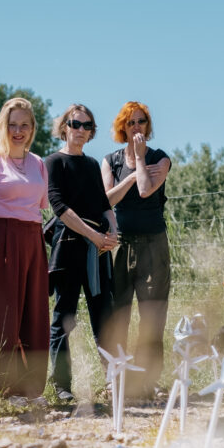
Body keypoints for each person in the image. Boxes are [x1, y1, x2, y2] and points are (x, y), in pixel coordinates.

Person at [0, 98, 50, 400]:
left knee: (34, 312)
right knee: (2, 314)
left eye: (24, 125)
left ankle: (31, 387)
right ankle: (0, 388)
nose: (18, 131)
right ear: (3, 127)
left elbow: (39, 206)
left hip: (33, 236)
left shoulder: (39, 164)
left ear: (32, 129)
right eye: (12, 124)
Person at [45, 104, 119, 403]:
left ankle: (113, 382)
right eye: (75, 124)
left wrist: (112, 231)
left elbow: (104, 203)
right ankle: (62, 386)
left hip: (98, 250)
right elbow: (59, 207)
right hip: (69, 248)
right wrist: (94, 236)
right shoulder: (53, 162)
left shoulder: (90, 165)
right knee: (65, 317)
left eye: (86, 126)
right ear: (65, 127)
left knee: (104, 316)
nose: (80, 130)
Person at [100, 101, 171, 398]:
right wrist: (129, 174)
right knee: (119, 315)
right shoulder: (110, 161)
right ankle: (116, 380)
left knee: (152, 316)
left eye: (141, 121)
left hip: (154, 244)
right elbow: (107, 201)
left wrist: (140, 161)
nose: (137, 127)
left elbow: (144, 190)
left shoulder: (160, 159)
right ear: (122, 127)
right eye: (131, 122)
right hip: (121, 245)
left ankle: (147, 381)